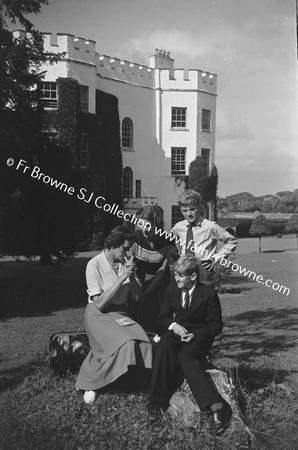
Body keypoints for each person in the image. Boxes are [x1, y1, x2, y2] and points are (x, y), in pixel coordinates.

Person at [148, 255, 232, 436]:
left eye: (180, 275)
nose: (176, 278)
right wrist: (174, 326)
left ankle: (217, 406)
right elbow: (161, 318)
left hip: (199, 336)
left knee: (185, 357)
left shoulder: (208, 293)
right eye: (175, 275)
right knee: (163, 348)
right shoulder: (171, 291)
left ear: (193, 276)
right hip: (177, 332)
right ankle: (157, 403)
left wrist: (196, 335)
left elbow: (215, 326)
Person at [76, 226, 153, 404]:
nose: (128, 252)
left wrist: (132, 276)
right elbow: (100, 303)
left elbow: (137, 298)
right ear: (112, 245)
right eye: (125, 248)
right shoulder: (94, 264)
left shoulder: (126, 264)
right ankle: (92, 383)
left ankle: (131, 381)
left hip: (120, 313)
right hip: (98, 315)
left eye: (130, 248)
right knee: (124, 342)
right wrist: (121, 278)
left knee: (141, 340)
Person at [171, 190, 237, 284]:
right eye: (185, 211)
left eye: (192, 209)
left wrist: (217, 257)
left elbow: (231, 241)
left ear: (199, 207)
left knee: (205, 297)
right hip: (183, 270)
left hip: (204, 269)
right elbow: (171, 243)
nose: (189, 214)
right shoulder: (178, 227)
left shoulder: (210, 226)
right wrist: (177, 257)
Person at [131, 205, 177, 332]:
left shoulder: (167, 240)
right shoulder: (134, 238)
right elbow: (131, 265)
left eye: (148, 225)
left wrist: (146, 293)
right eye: (141, 224)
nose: (144, 229)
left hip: (159, 287)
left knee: (159, 324)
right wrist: (138, 288)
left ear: (157, 224)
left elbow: (162, 271)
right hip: (138, 283)